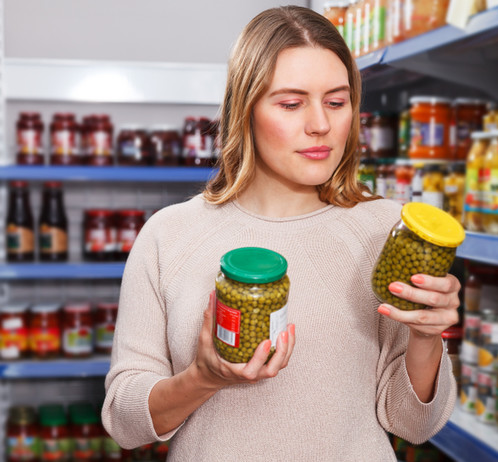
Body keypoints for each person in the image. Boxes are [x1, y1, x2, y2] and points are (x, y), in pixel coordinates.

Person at [101, 5, 460, 460]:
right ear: (244, 109)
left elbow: (414, 425)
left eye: (336, 101)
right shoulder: (169, 235)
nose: (321, 125)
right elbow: (124, 423)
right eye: (291, 104)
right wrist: (203, 378)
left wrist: (428, 335)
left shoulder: (389, 231)